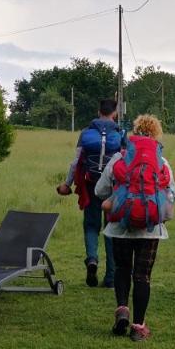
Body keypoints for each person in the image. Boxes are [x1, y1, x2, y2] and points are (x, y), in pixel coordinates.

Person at [94, 114, 175, 342]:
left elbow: (99, 191)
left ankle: (122, 308)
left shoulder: (119, 158)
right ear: (156, 135)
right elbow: (173, 194)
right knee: (143, 276)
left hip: (119, 226)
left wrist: (119, 196)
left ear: (135, 132)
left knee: (122, 269)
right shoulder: (161, 162)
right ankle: (138, 326)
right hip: (150, 228)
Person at [57, 99, 124, 287]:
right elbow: (124, 161)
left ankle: (92, 259)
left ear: (98, 111)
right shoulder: (120, 133)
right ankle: (111, 277)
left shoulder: (86, 133)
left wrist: (67, 184)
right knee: (111, 227)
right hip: (113, 187)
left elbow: (76, 162)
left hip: (90, 184)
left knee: (91, 226)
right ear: (115, 113)